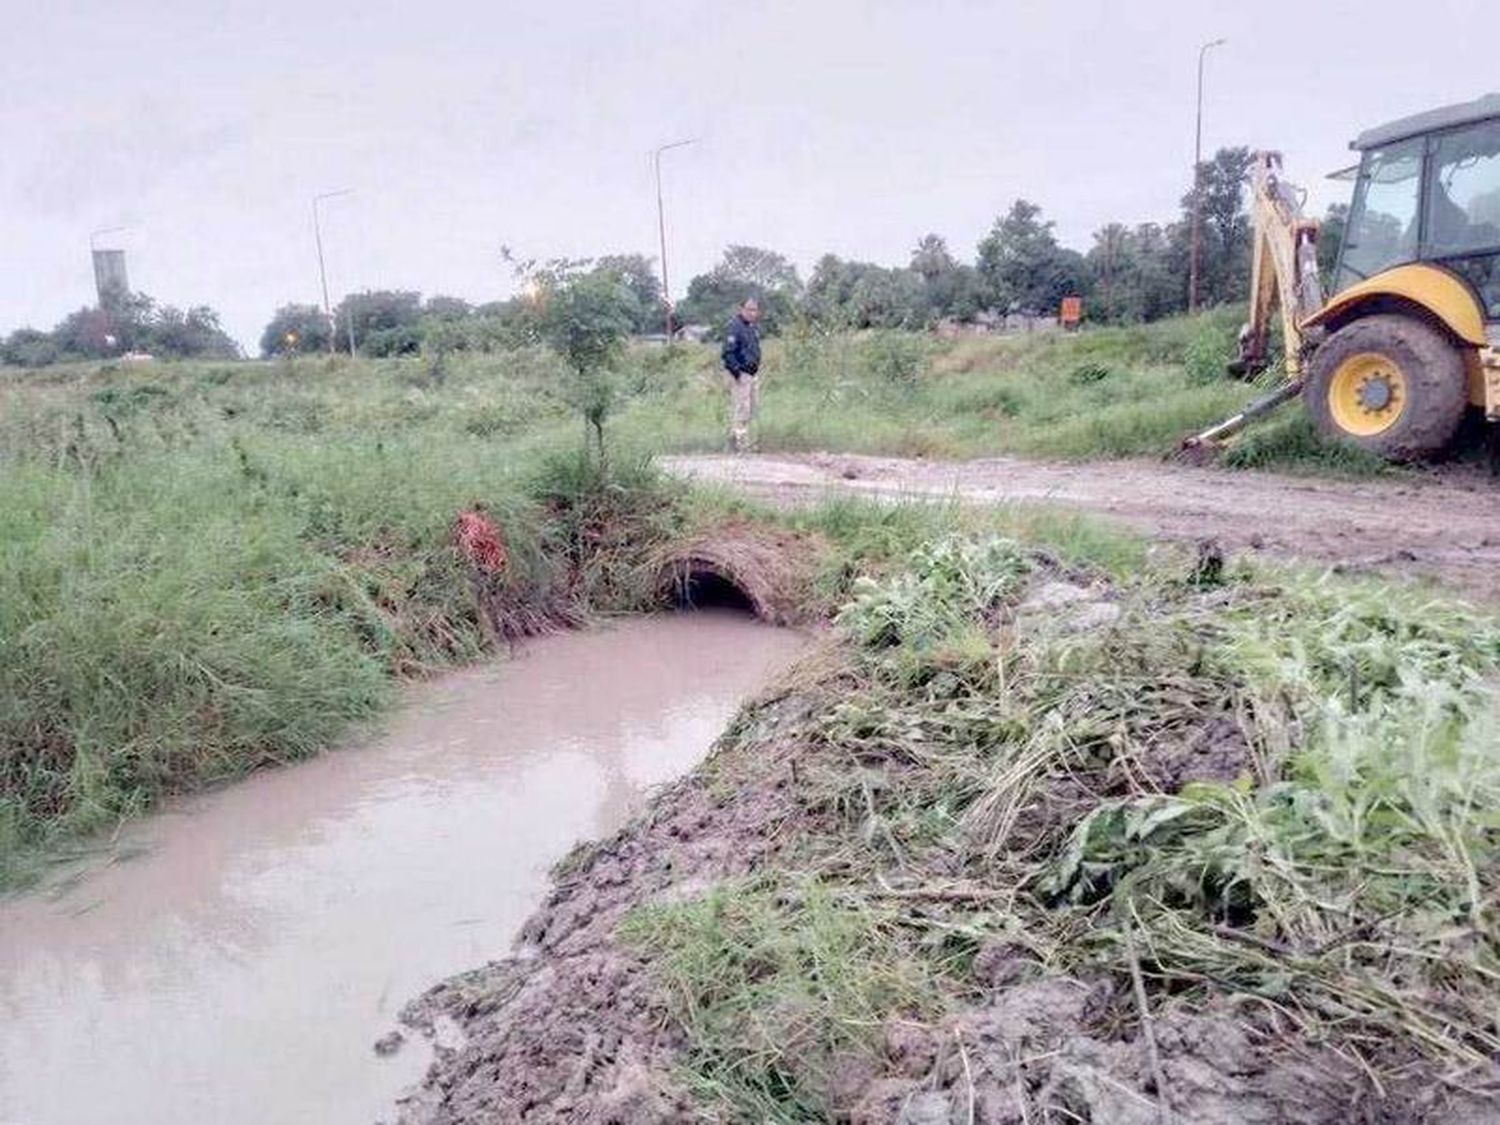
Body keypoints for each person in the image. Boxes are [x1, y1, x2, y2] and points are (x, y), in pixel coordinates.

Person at [721, 297, 762, 452]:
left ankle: (736, 441)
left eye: (755, 309)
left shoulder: (752, 328)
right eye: (749, 309)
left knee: (752, 408)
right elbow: (727, 353)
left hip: (752, 374)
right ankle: (740, 445)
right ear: (742, 309)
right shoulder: (734, 327)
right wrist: (737, 373)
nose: (752, 313)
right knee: (742, 408)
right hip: (740, 374)